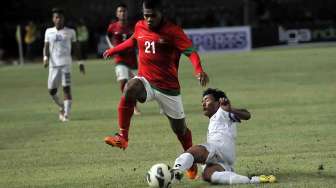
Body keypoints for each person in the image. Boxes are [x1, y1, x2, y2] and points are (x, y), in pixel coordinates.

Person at [103, 0, 209, 179]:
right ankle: (123, 137)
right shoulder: (139, 26)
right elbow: (132, 41)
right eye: (146, 15)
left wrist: (198, 70)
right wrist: (113, 51)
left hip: (168, 88)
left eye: (153, 15)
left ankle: (189, 159)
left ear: (161, 13)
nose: (149, 19)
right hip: (145, 80)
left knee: (180, 129)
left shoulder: (173, 31)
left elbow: (190, 52)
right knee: (129, 88)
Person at [171, 88, 276, 185]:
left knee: (193, 152)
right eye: (202, 101)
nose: (203, 104)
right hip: (225, 159)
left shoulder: (223, 112)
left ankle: (175, 173)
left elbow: (247, 115)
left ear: (218, 103)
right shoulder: (218, 116)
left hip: (218, 148)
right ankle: (254, 180)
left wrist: (230, 109)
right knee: (208, 175)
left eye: (207, 100)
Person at [43, 8, 85, 122]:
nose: (58, 20)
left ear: (63, 19)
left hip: (66, 64)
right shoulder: (48, 31)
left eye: (60, 17)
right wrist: (45, 58)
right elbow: (46, 47)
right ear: (53, 19)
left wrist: (80, 62)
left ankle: (66, 114)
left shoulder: (70, 32)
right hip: (53, 66)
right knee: (51, 90)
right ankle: (61, 106)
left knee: (66, 88)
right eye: (56, 17)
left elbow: (76, 48)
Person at [105, 3, 141, 115]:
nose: (122, 13)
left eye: (124, 11)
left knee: (135, 84)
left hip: (132, 59)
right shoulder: (112, 27)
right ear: (117, 13)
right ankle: (131, 106)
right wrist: (112, 48)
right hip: (120, 59)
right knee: (123, 81)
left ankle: (135, 104)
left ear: (127, 13)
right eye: (120, 11)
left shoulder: (133, 26)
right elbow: (108, 36)